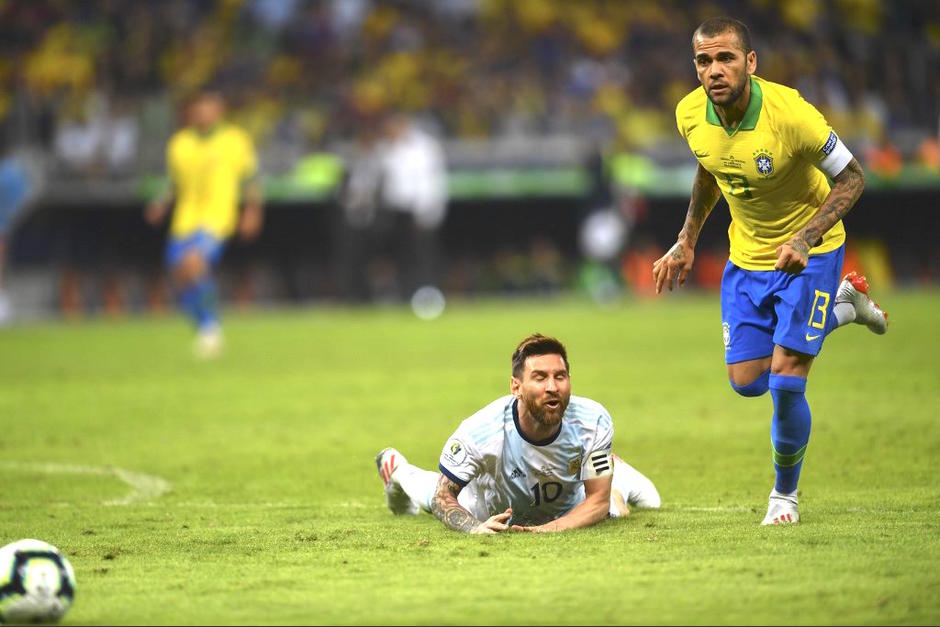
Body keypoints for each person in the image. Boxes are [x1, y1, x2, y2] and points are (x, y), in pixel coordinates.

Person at [652, 18, 888, 525]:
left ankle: (784, 498)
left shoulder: (791, 115)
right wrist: (687, 239)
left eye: (726, 58)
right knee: (746, 381)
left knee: (785, 380)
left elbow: (853, 178)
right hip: (746, 258)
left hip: (811, 254)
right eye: (704, 61)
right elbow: (711, 167)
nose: (715, 70)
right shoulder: (690, 114)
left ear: (751, 62)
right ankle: (845, 309)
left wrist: (806, 237)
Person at [374, 333, 660, 534]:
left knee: (649, 502)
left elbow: (596, 502)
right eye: (540, 377)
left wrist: (548, 530)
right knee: (429, 493)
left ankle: (612, 473)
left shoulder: (593, 421)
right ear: (516, 387)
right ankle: (397, 469)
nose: (552, 387)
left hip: (568, 508)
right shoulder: (481, 432)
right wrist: (475, 528)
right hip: (488, 509)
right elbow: (442, 498)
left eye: (559, 376)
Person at [144, 91, 263, 357]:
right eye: (199, 110)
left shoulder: (235, 140)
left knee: (193, 263)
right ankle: (204, 328)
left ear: (220, 111)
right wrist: (161, 203)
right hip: (184, 219)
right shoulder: (179, 144)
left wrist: (252, 211)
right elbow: (173, 182)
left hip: (218, 217)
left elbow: (250, 179)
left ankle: (211, 328)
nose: (203, 114)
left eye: (209, 109)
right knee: (180, 276)